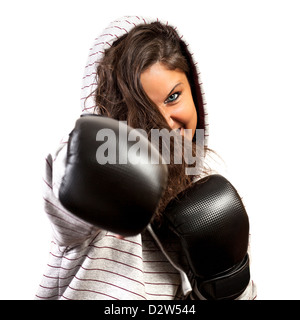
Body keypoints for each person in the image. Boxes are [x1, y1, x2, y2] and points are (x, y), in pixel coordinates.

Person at [35, 16, 256, 300]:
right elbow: (68, 172)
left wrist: (228, 283)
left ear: (194, 92)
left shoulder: (210, 202)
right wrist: (99, 159)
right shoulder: (99, 184)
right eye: (143, 113)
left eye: (174, 96)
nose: (165, 122)